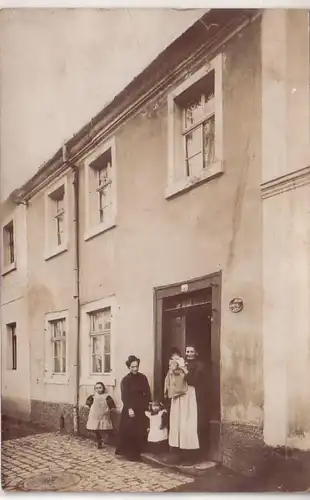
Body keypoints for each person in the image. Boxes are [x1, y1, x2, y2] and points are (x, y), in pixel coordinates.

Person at [167, 345, 207, 465]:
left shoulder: (200, 365)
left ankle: (192, 456)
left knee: (188, 423)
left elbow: (194, 380)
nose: (189, 353)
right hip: (180, 395)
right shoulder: (182, 362)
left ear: (196, 353)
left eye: (191, 351)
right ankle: (179, 453)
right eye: (187, 351)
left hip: (191, 396)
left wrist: (184, 369)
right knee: (179, 423)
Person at [115, 355, 151, 461]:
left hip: (141, 407)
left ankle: (140, 450)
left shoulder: (143, 377)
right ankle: (131, 453)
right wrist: (130, 408)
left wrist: (148, 403)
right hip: (131, 407)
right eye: (132, 367)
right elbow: (125, 395)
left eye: (136, 366)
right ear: (129, 367)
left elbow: (147, 391)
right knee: (131, 430)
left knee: (141, 429)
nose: (135, 369)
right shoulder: (126, 380)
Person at [85, 381, 116, 449]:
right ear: (95, 389)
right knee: (95, 428)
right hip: (95, 415)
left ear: (103, 388)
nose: (98, 389)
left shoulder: (107, 397)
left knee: (103, 428)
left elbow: (112, 407)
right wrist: (90, 407)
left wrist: (109, 410)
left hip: (104, 415)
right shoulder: (92, 396)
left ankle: (103, 439)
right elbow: (87, 405)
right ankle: (99, 440)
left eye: (100, 388)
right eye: (96, 388)